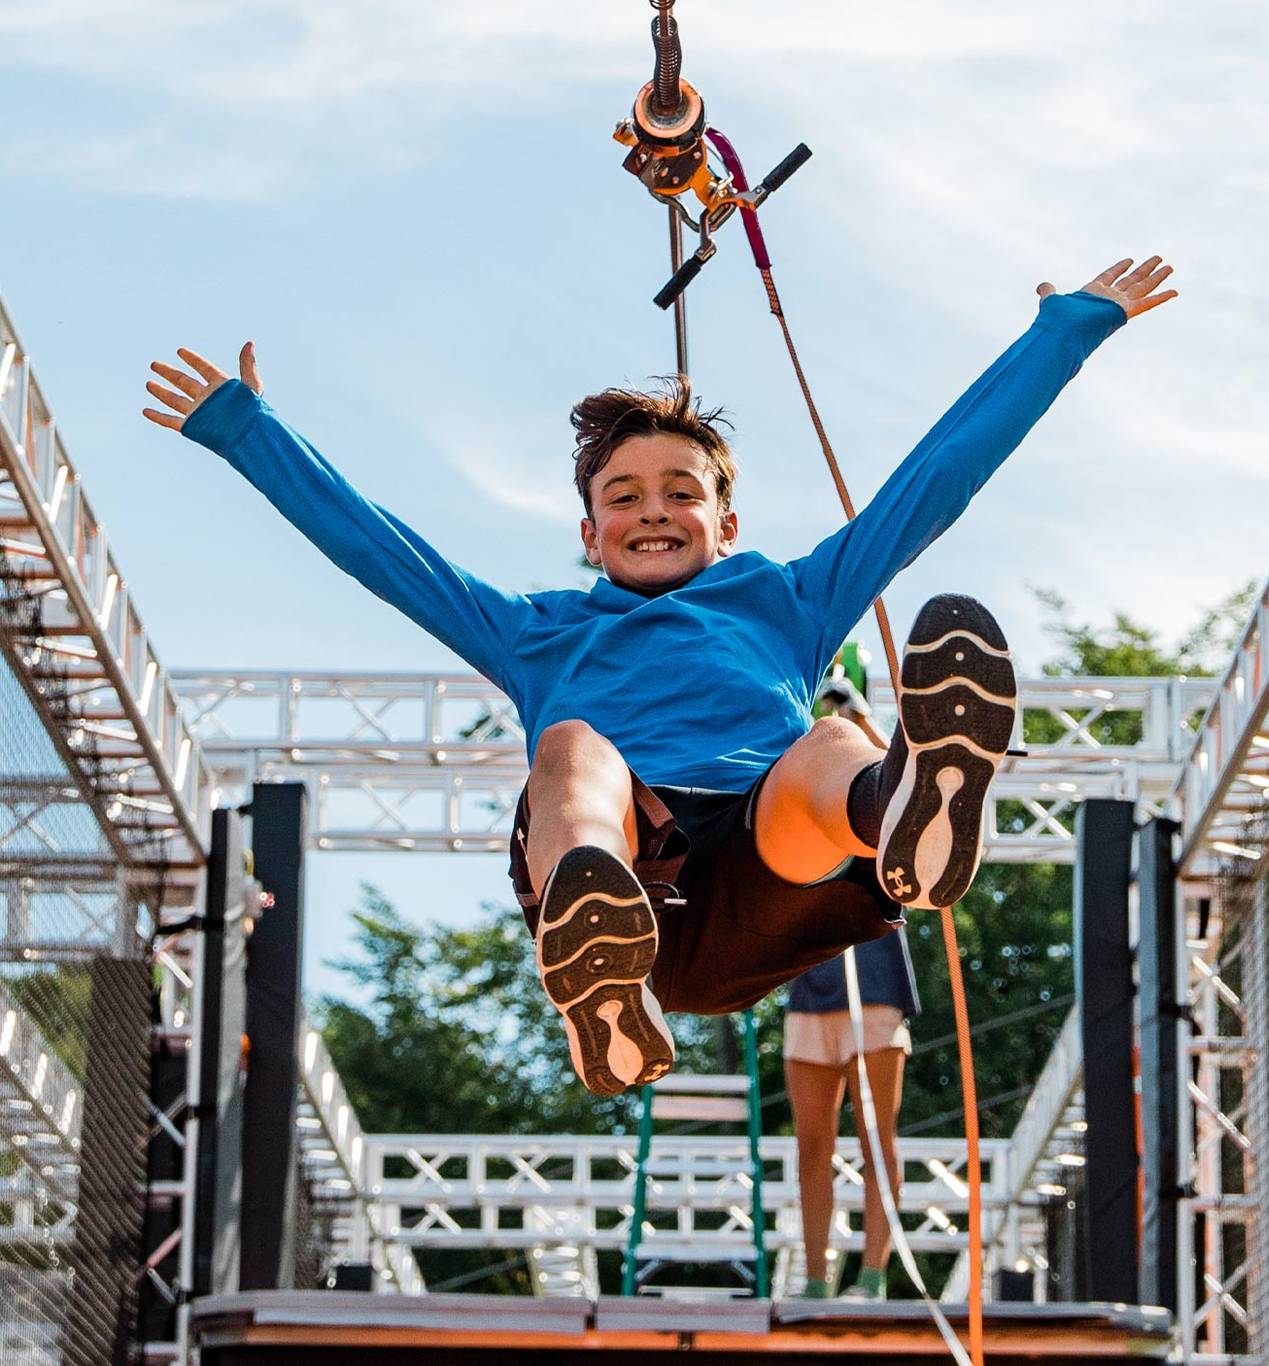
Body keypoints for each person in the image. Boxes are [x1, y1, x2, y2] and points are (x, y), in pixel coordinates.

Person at [142, 258, 1176, 1097]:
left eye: (682, 492)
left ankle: (899, 811)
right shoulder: (532, 631)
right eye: (624, 495)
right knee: (572, 747)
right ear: (589, 533)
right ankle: (600, 950)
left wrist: (1059, 337)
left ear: (726, 524)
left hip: (767, 872)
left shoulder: (787, 598)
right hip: (622, 873)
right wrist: (250, 434)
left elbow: (930, 483)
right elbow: (381, 549)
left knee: (831, 741)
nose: (653, 510)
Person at [783, 653, 919, 1301]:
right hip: (812, 982)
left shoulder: (869, 758)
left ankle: (872, 1272)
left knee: (875, 1136)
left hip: (876, 978)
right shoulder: (800, 762)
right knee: (813, 1143)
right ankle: (814, 1277)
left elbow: (896, 793)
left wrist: (856, 712)